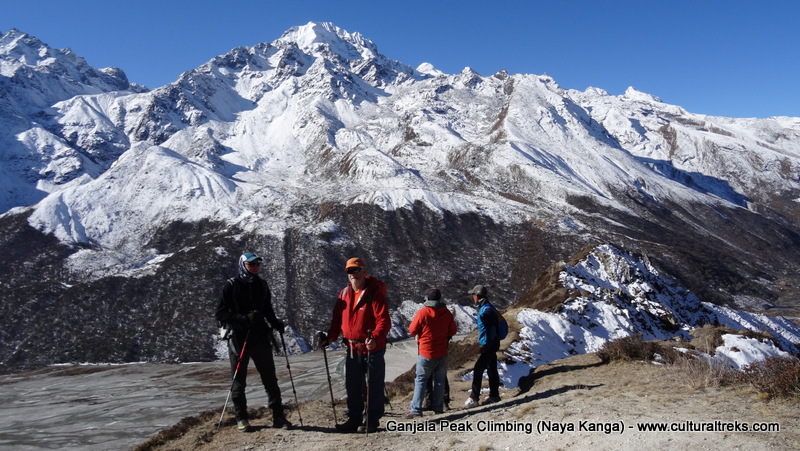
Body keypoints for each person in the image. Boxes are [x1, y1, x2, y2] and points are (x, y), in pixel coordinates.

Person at [215, 252, 292, 432]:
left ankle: (278, 416)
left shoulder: (261, 285)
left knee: (270, 378)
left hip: (260, 337)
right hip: (238, 338)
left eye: (257, 264)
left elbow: (267, 309)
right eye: (252, 264)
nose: (256, 267)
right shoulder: (231, 285)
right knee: (239, 380)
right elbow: (220, 313)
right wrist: (243, 318)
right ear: (243, 265)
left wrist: (275, 323)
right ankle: (241, 418)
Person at [318, 257, 390, 433]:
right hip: (352, 349)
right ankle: (354, 418)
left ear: (364, 272)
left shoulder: (374, 294)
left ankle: (372, 420)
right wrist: (330, 338)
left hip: (372, 349)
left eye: (357, 270)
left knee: (373, 386)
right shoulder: (344, 294)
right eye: (350, 271)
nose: (353, 274)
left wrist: (375, 338)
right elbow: (337, 321)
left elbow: (383, 321)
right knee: (353, 386)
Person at [403, 288, 457, 418]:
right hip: (442, 352)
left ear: (427, 299)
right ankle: (438, 407)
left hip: (426, 351)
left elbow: (412, 329)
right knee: (439, 380)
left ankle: (416, 409)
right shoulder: (446, 313)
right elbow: (453, 330)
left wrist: (420, 335)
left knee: (421, 380)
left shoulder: (423, 313)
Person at [464, 284, 501, 407]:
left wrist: (486, 345)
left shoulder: (486, 310)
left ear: (477, 295)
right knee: (492, 369)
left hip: (489, 345)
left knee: (478, 369)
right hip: (493, 343)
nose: (472, 297)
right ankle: (494, 395)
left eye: (473, 295)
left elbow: (489, 330)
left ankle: (474, 398)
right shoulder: (488, 307)